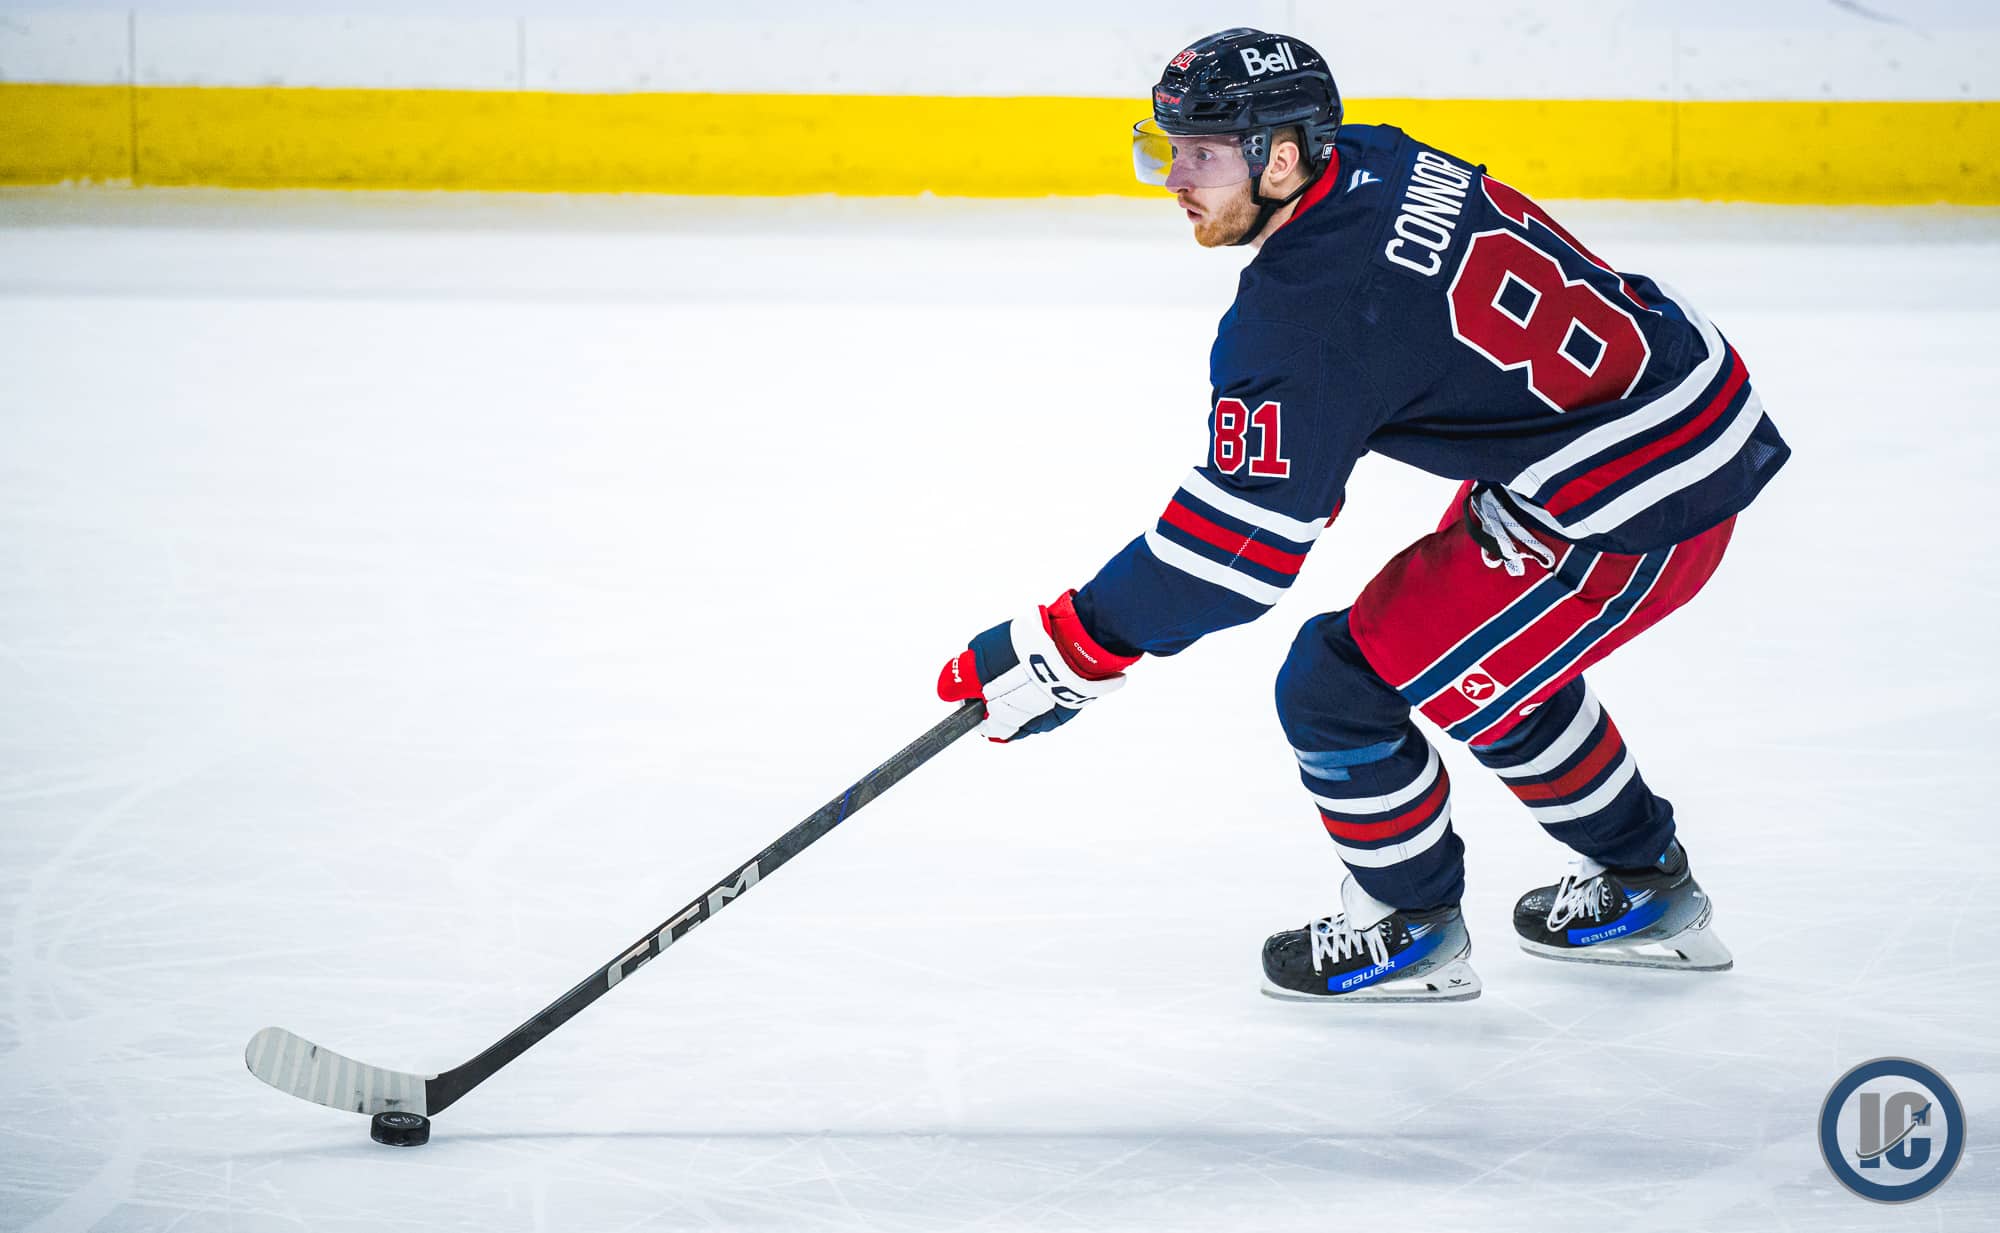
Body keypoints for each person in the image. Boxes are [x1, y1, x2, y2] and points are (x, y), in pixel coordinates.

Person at [937, 28, 1789, 1002]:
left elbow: (1232, 557)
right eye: (1164, 148)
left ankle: (1408, 926)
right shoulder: (1373, 154)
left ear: (1281, 158)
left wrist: (1072, 643)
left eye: (1202, 154)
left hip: (1631, 500)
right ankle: (1643, 883)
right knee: (1474, 666)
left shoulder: (1303, 316)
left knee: (1335, 687)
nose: (1173, 179)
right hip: (1659, 411)